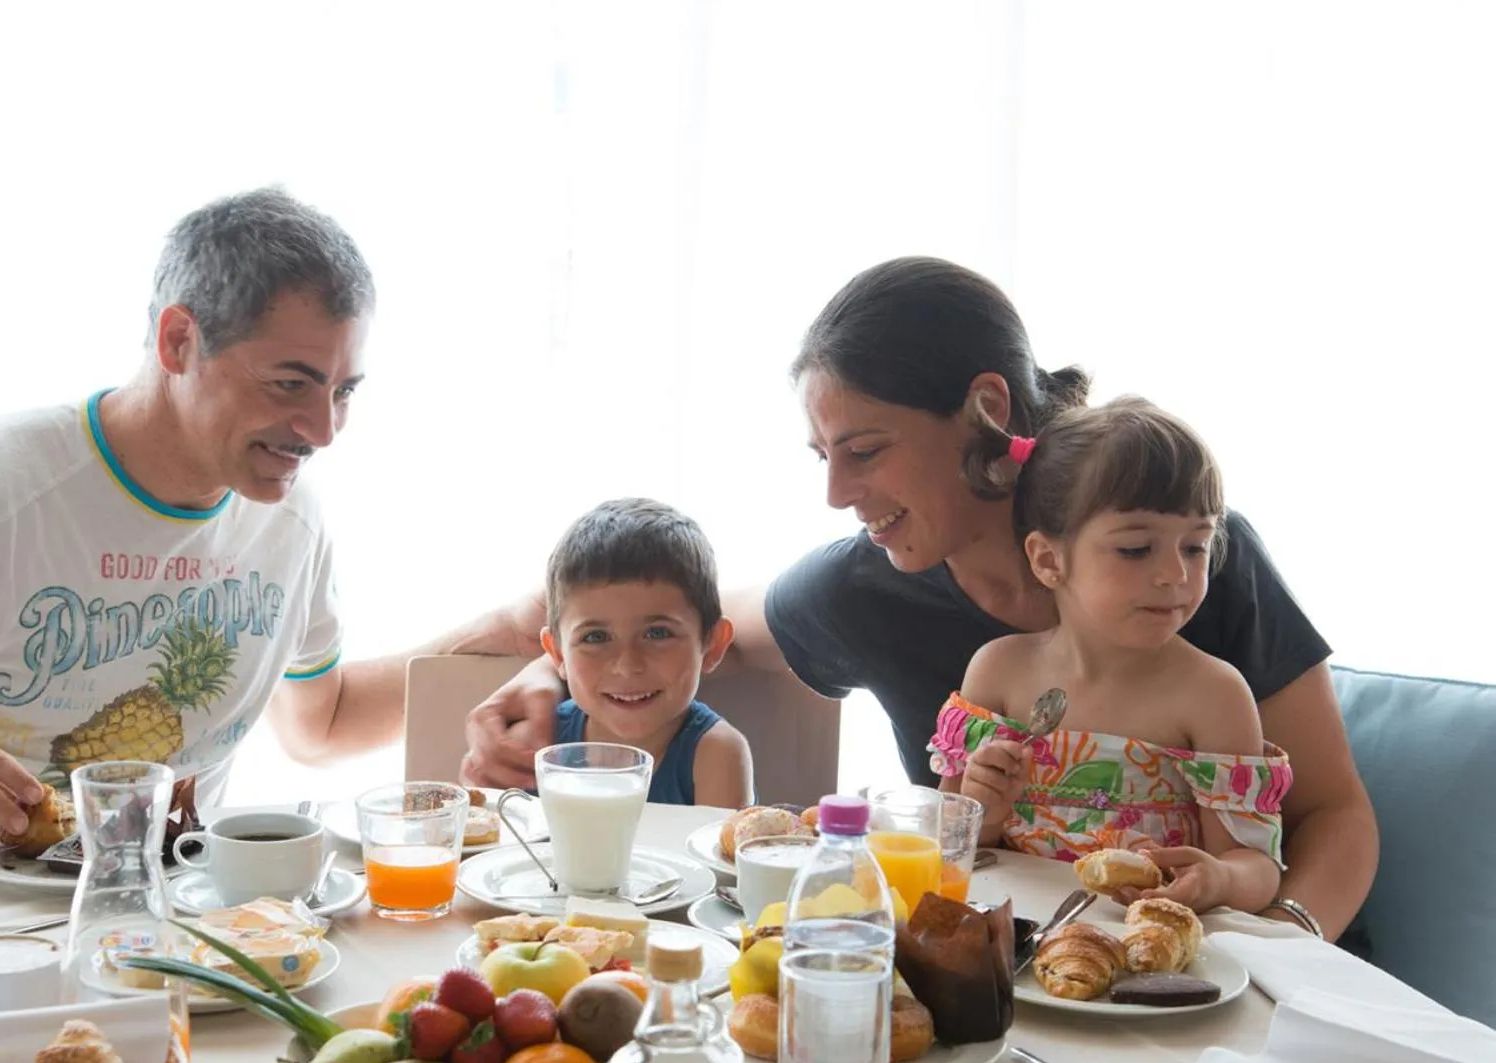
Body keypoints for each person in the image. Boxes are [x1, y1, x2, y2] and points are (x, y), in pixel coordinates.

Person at [462, 257, 1376, 941]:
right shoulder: (868, 585)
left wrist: (1280, 951)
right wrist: (554, 671)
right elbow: (698, 622)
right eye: (824, 458)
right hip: (1023, 972)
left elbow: (1337, 813)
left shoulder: (1193, 557)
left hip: (1240, 962)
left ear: (984, 407)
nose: (836, 494)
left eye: (864, 450)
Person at [0, 187, 534, 858]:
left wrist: (508, 627)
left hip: (164, 923)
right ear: (179, 339)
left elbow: (319, 723)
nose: (322, 430)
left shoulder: (289, 516)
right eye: (291, 382)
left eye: (345, 390)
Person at [931, 396, 1285, 915]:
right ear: (1049, 559)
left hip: (1148, 949)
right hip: (1015, 940)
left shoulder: (1213, 695)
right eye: (1136, 549)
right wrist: (981, 808)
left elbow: (1254, 865)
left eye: (1195, 547)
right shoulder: (999, 671)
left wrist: (1218, 880)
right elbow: (944, 842)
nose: (1176, 575)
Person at [540, 498, 752, 808]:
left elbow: (719, 857)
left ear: (712, 644)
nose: (627, 666)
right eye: (596, 637)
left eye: (657, 633)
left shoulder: (715, 754)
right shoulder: (538, 740)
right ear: (557, 654)